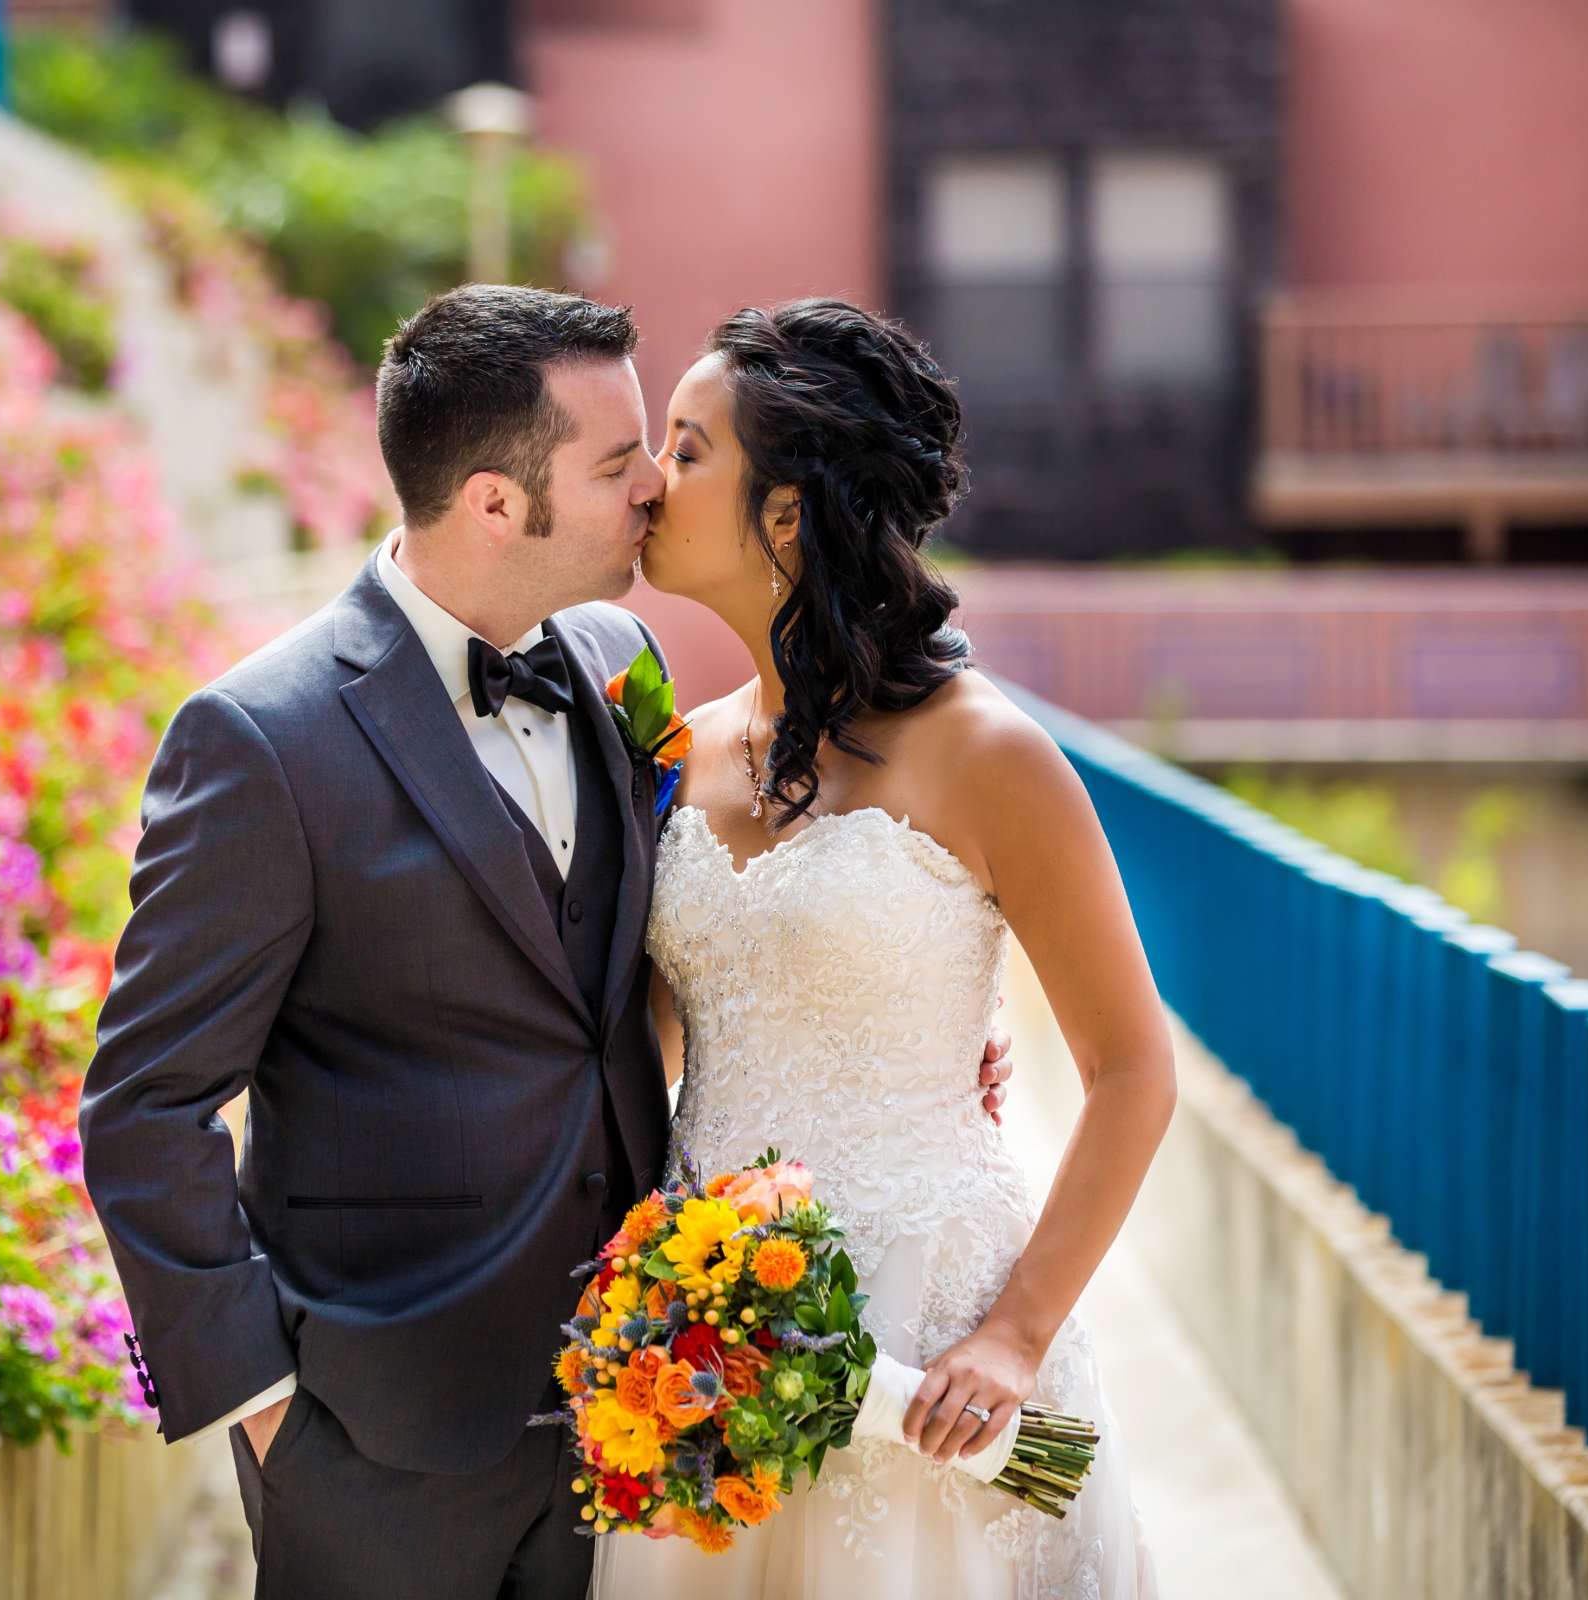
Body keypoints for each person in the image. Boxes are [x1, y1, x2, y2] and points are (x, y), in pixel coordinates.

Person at [78, 285, 1012, 1600]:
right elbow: (144, 1107)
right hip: (376, 1443)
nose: (650, 492)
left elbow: (668, 942)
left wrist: (903, 1008)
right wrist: (267, 1404)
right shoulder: (261, 743)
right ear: (497, 504)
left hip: (639, 1418)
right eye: (618, 461)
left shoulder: (620, 661)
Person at [590, 298, 1166, 1598]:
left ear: (788, 512)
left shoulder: (990, 753)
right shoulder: (676, 748)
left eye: (687, 451)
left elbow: (1135, 1070)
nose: (649, 483)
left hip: (942, 1326)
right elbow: (665, 1030)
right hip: (708, 1342)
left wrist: (1016, 1337)